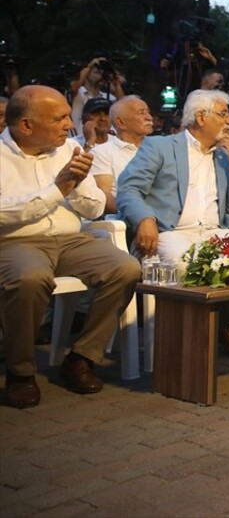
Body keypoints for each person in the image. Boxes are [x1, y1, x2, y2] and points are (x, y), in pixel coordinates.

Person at [1, 85, 142, 409]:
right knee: (30, 279)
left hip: (70, 239)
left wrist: (76, 187)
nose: (70, 124)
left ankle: (81, 357)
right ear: (26, 126)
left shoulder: (68, 149)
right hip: (15, 242)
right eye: (60, 118)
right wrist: (56, 189)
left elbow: (94, 209)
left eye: (69, 115)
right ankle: (20, 372)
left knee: (125, 268)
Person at [114, 88, 229, 355]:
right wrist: (145, 218)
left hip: (213, 232)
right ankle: (189, 343)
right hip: (168, 233)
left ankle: (225, 324)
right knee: (184, 262)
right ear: (201, 116)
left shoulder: (224, 156)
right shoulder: (160, 146)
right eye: (223, 114)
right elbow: (128, 189)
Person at [89, 95, 153, 215]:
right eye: (141, 113)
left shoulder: (160, 148)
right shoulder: (101, 153)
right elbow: (104, 195)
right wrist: (140, 217)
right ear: (121, 122)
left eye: (148, 112)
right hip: (124, 220)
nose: (149, 118)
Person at [69, 56, 124, 136]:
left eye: (103, 73)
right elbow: (73, 88)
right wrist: (89, 66)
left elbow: (123, 106)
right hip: (77, 139)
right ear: (87, 75)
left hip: (100, 143)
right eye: (97, 72)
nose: (100, 76)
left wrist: (117, 84)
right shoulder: (79, 92)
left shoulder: (107, 97)